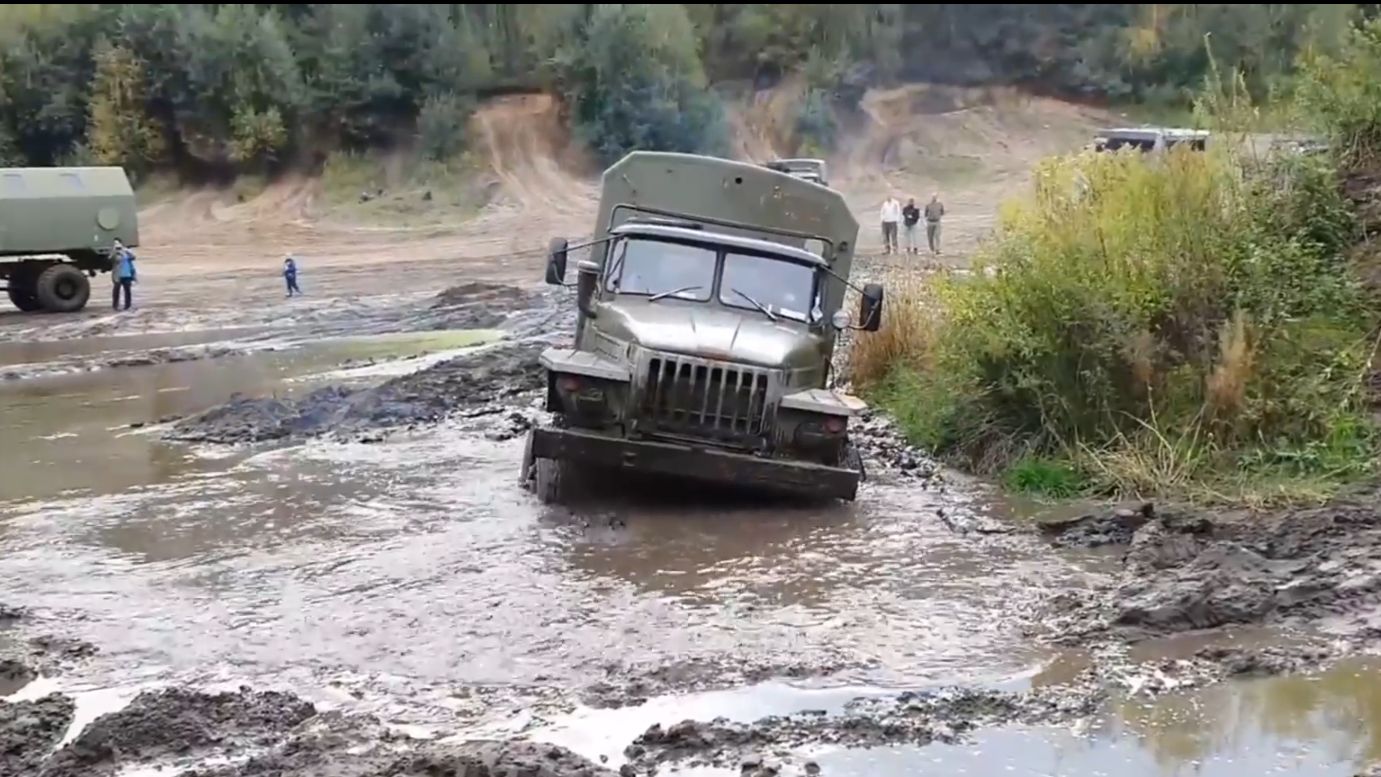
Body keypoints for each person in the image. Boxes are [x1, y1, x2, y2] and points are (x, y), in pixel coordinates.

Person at [111, 239, 136, 311]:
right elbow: (110, 259)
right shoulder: (114, 253)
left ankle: (127, 305)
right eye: (115, 244)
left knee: (127, 291)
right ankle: (115, 305)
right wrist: (114, 251)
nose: (117, 246)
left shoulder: (125, 252)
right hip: (118, 275)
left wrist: (125, 250)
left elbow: (133, 257)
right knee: (116, 291)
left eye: (118, 243)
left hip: (127, 274)